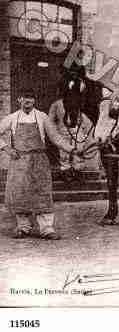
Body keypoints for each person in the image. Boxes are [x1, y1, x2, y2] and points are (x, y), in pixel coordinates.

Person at [0, 91, 75, 239]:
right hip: (19, 161)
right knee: (20, 193)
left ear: (34, 101)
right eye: (24, 98)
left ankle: (47, 228)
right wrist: (7, 148)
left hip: (39, 160)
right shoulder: (13, 118)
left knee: (42, 193)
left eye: (30, 98)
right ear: (19, 100)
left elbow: (56, 138)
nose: (27, 101)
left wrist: (72, 149)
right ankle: (23, 226)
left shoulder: (42, 117)